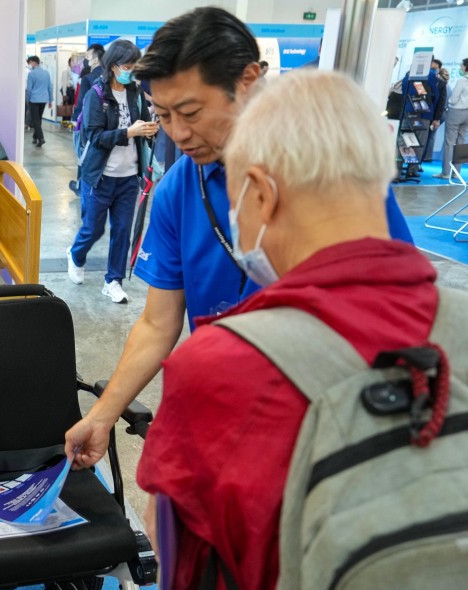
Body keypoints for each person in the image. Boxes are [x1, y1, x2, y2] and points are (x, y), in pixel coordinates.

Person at [124, 68, 438, 590]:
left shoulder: (221, 369)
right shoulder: (451, 330)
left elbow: (175, 556)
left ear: (261, 194)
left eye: (235, 195)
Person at [64, 8, 413, 481]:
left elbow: (399, 304)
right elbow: (156, 323)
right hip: (229, 420)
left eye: (190, 112)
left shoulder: (331, 171)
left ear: (249, 80)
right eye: (163, 116)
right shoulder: (177, 192)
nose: (178, 133)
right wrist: (103, 414)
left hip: (335, 425)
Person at [66, 39, 159, 304]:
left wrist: (148, 129)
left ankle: (113, 281)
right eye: (126, 66)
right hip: (100, 177)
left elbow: (140, 125)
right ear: (113, 66)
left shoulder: (136, 93)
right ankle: (75, 255)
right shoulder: (96, 95)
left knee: (122, 230)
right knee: (93, 229)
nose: (130, 70)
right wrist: (128, 132)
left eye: (133, 65)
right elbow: (95, 137)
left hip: (129, 177)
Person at [70, 43, 107, 194]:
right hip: (106, 122)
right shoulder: (108, 76)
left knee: (84, 153)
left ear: (96, 59)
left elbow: (81, 102)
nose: (85, 60)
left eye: (88, 56)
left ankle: (81, 185)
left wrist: (74, 120)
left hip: (88, 122)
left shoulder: (88, 78)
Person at [438, 57, 468, 179]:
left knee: (449, 142)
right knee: (461, 142)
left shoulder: (462, 80)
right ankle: (456, 173)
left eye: (462, 65)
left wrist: (449, 103)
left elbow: (454, 98)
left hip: (456, 112)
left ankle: (446, 172)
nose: (460, 67)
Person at [25, 55, 52, 147]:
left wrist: (28, 100)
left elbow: (29, 89)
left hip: (34, 99)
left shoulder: (31, 74)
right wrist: (50, 100)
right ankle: (35, 137)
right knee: (38, 118)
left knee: (35, 119)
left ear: (33, 62)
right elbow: (50, 87)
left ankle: (41, 138)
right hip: (44, 99)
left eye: (29, 63)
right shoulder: (46, 73)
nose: (29, 65)